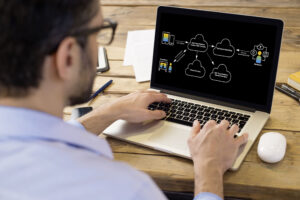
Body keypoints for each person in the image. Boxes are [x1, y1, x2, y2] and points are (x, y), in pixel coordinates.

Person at [0, 1, 248, 200]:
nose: (98, 46)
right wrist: (210, 169)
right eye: (97, 33)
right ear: (67, 57)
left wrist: (108, 112)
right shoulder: (124, 189)